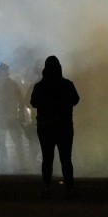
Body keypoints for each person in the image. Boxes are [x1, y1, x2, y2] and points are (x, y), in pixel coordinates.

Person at [29, 55, 80, 198]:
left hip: (45, 126)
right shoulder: (67, 84)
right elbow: (75, 100)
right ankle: (70, 188)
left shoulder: (39, 86)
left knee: (47, 158)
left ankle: (46, 187)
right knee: (66, 158)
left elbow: (33, 103)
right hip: (64, 125)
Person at [0, 62, 28, 171]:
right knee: (2, 143)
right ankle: (5, 164)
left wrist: (21, 115)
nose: (0, 72)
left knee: (17, 142)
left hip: (12, 117)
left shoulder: (13, 84)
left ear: (6, 71)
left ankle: (22, 164)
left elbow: (21, 101)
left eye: (2, 70)